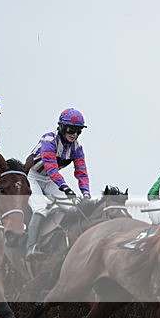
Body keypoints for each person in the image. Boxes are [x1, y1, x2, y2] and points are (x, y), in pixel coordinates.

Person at [24, 108, 91, 260]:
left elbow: (81, 171)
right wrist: (65, 187)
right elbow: (51, 167)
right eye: (70, 129)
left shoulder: (77, 148)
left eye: (78, 131)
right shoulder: (49, 140)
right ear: (61, 127)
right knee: (41, 208)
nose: (74, 134)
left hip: (50, 180)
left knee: (74, 209)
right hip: (32, 176)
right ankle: (31, 247)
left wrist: (86, 193)